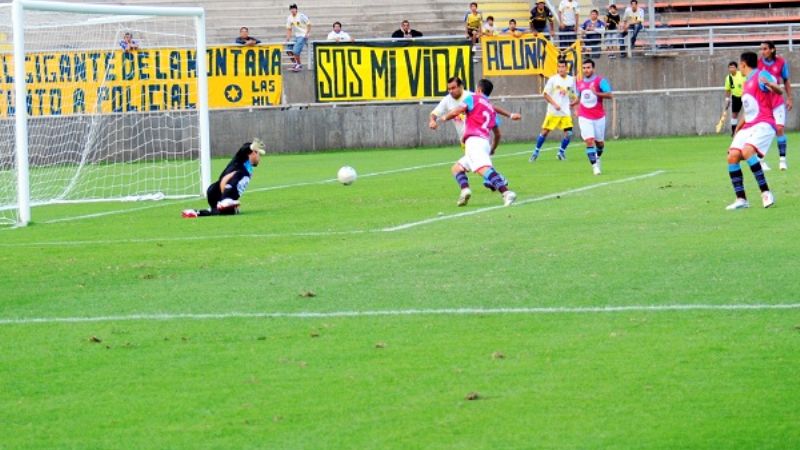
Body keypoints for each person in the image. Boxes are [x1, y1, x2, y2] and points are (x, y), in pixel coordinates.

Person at [439, 79, 517, 207]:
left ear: (479, 90)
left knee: (482, 169)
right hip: (484, 142)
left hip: (474, 141)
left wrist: (444, 117)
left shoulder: (473, 98)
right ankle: (465, 190)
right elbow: (497, 134)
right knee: (457, 168)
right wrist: (492, 149)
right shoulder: (490, 108)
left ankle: (506, 192)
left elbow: (458, 109)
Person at [725, 51, 781, 210]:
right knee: (732, 156)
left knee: (748, 151)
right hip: (749, 125)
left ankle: (766, 192)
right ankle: (741, 199)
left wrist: (772, 86)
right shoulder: (746, 81)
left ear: (743, 64)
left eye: (739, 64)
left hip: (764, 123)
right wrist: (738, 129)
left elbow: (779, 90)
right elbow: (748, 111)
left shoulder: (761, 75)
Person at [182, 139, 267, 218]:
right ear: (253, 153)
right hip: (216, 192)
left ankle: (196, 212)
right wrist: (250, 147)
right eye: (258, 154)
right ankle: (226, 200)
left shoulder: (248, 169)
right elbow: (243, 150)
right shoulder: (240, 159)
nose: (259, 158)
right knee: (238, 174)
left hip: (219, 196)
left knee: (229, 212)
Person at [429, 77, 522, 144]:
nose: (450, 91)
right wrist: (432, 120)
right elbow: (434, 113)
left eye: (453, 88)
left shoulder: (471, 96)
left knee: (464, 167)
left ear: (461, 86)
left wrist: (510, 115)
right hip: (464, 139)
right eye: (449, 89)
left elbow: (490, 106)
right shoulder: (447, 100)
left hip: (474, 136)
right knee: (473, 166)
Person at [529, 59, 578, 162]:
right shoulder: (553, 79)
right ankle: (535, 152)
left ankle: (561, 152)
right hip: (553, 112)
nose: (560, 69)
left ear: (566, 68)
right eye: (559, 67)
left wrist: (574, 106)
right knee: (545, 132)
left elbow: (572, 95)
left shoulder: (570, 80)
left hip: (565, 112)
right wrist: (554, 104)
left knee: (569, 133)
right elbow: (545, 94)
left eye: (563, 67)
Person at [758, 41, 792, 171]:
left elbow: (786, 80)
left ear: (772, 50)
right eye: (761, 49)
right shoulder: (758, 63)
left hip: (777, 102)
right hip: (763, 103)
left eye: (765, 49)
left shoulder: (781, 62)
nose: (762, 51)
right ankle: (760, 160)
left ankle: (782, 160)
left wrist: (789, 98)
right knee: (764, 131)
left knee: (779, 129)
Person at [576, 59, 612, 175]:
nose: (586, 70)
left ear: (593, 68)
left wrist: (596, 93)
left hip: (598, 117)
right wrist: (573, 106)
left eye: (588, 67)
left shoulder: (601, 81)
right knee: (589, 141)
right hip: (584, 116)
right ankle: (595, 166)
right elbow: (578, 98)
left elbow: (609, 95)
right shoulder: (579, 83)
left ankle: (597, 157)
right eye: (584, 68)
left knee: (600, 143)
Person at [285, 4, 312, 72]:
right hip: (297, 36)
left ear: (296, 9)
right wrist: (288, 38)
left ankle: (299, 64)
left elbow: (309, 24)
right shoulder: (289, 18)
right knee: (288, 50)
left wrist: (307, 33)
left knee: (296, 51)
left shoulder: (301, 16)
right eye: (291, 9)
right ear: (290, 10)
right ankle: (296, 63)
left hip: (303, 35)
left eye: (294, 9)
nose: (293, 10)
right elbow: (289, 29)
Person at [724, 61, 745, 137]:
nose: (731, 69)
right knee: (734, 114)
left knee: (748, 113)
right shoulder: (729, 78)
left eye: (732, 67)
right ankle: (734, 132)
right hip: (735, 97)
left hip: (745, 95)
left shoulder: (742, 74)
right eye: (729, 67)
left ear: (736, 68)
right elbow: (728, 89)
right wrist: (727, 99)